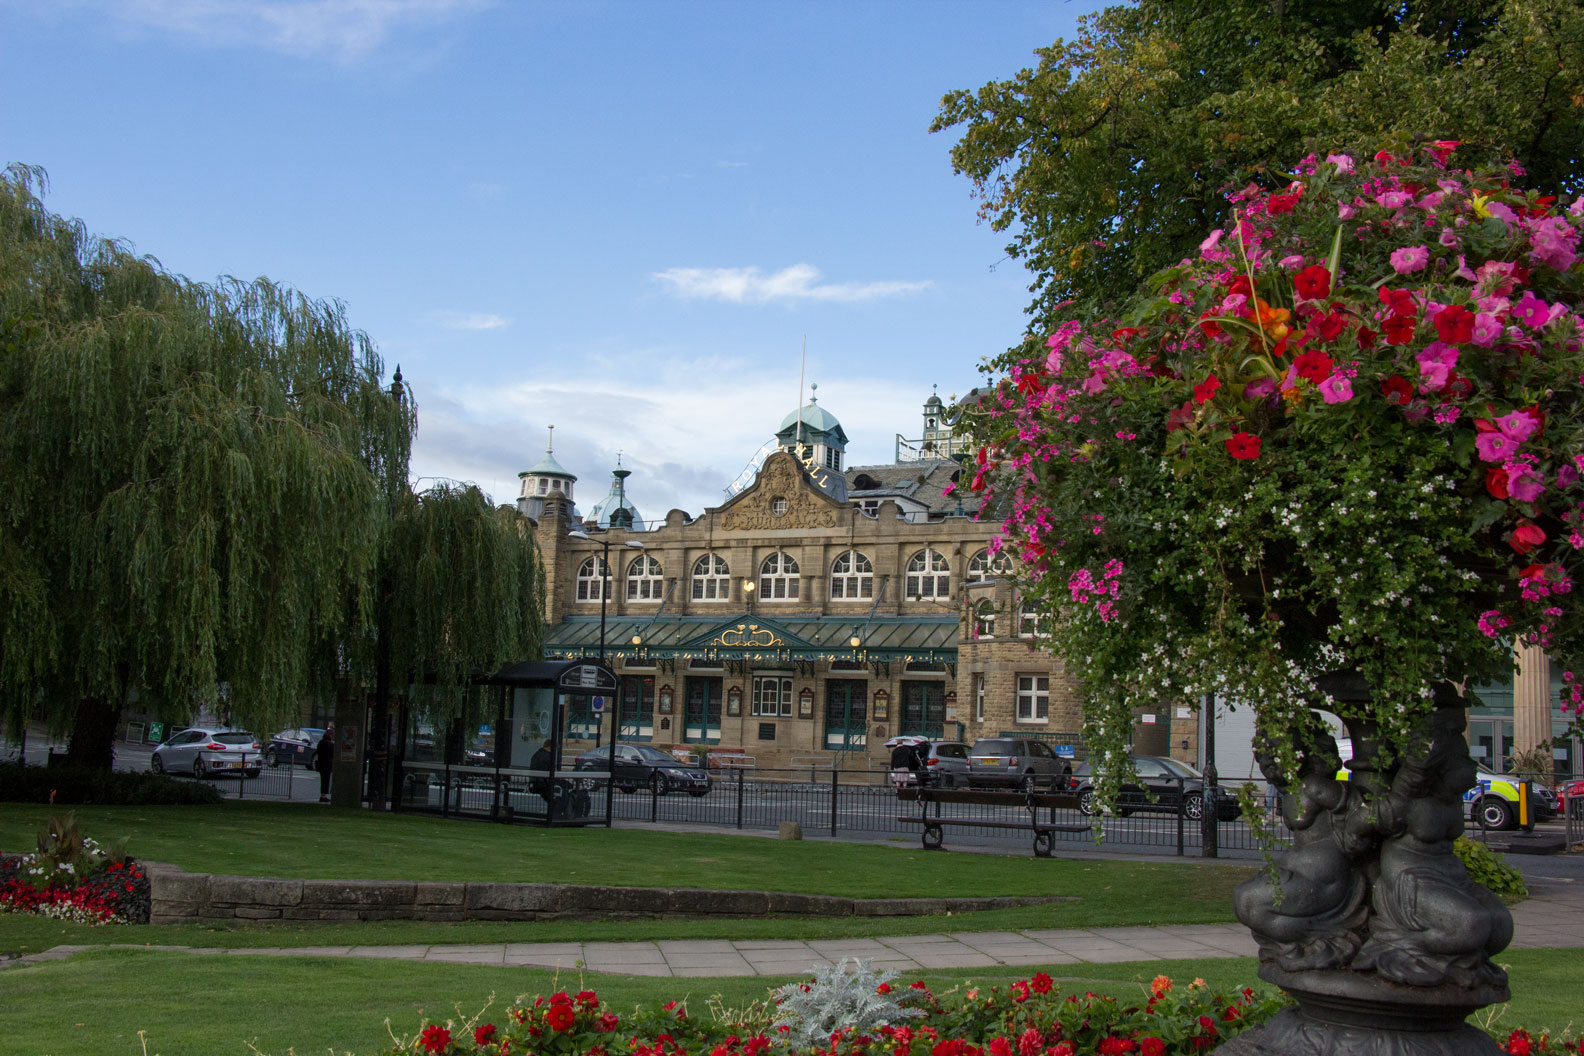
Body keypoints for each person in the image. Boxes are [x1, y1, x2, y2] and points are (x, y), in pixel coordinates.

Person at [314, 723, 335, 803]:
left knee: (323, 779)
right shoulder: (330, 744)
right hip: (327, 764)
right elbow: (332, 754)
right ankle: (323, 795)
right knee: (326, 780)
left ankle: (323, 795)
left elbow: (318, 752)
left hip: (321, 763)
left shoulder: (321, 742)